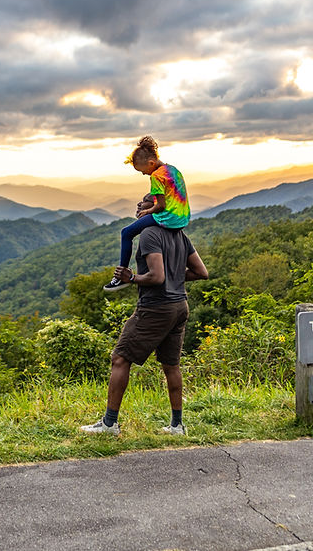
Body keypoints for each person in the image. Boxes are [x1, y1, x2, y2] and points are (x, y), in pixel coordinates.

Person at [81, 205, 208, 436]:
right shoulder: (180, 235)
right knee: (171, 366)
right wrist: (175, 277)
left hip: (156, 307)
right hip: (180, 306)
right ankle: (177, 425)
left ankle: (109, 424)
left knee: (120, 359)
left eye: (144, 203)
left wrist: (132, 278)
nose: (139, 207)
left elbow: (157, 277)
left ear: (155, 209)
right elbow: (201, 272)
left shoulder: (149, 233)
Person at [104, 135, 190, 292]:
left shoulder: (156, 177)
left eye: (142, 171)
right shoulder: (172, 170)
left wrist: (147, 211)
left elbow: (161, 206)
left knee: (126, 232)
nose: (144, 174)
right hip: (183, 217)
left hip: (169, 218)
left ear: (151, 163)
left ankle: (120, 276)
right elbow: (172, 195)